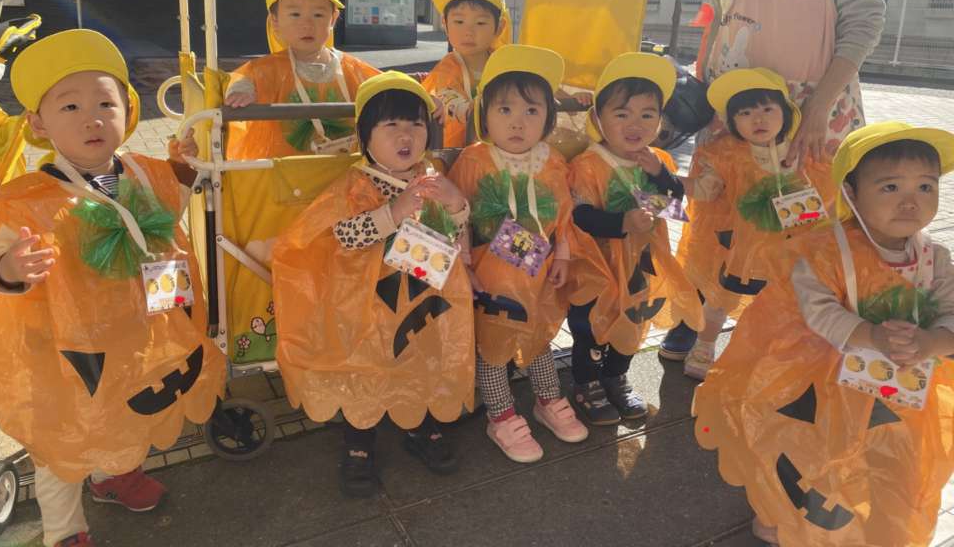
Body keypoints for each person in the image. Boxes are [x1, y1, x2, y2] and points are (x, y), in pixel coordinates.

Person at [506, 0, 886, 360]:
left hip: (816, 104)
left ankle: (801, 324)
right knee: (717, 208)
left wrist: (820, 106)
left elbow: (865, 20)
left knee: (810, 215)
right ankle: (699, 312)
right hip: (734, 101)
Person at [0, 29, 226, 547]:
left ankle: (114, 475)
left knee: (127, 412)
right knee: (64, 446)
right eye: (70, 106)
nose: (92, 119)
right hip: (69, 354)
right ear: (38, 123)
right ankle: (64, 531)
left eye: (106, 103)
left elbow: (170, 205)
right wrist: (9, 268)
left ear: (128, 109)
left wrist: (183, 168)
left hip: (137, 336)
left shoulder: (144, 172)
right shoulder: (24, 202)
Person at [694, 122, 954, 546]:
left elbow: (950, 312)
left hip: (901, 390)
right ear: (850, 193)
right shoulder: (825, 250)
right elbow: (817, 310)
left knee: (891, 455)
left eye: (925, 187)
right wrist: (871, 335)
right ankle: (780, 510)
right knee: (809, 450)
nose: (911, 201)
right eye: (890, 187)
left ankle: (875, 517)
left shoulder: (934, 259)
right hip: (821, 380)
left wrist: (933, 342)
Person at [272, 71, 475, 498]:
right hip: (365, 307)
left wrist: (457, 205)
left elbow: (453, 237)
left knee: (420, 358)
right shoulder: (356, 183)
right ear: (365, 137)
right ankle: (359, 441)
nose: (406, 135)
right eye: (391, 125)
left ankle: (420, 424)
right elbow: (342, 235)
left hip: (421, 298)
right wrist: (394, 212)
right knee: (364, 369)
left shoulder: (432, 176)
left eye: (416, 124)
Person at [449, 44, 588, 463]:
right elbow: (456, 219)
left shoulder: (553, 161)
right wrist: (464, 268)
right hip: (491, 277)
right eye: (505, 109)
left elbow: (564, 214)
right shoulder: (474, 160)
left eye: (531, 111)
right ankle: (501, 414)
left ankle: (548, 399)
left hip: (539, 272)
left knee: (540, 335)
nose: (517, 122)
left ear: (548, 117)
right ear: (484, 114)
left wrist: (563, 255)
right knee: (492, 344)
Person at [565, 52, 703, 424]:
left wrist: (661, 175)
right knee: (589, 325)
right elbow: (579, 215)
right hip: (597, 267)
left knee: (633, 320)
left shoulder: (657, 160)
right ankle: (586, 382)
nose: (635, 125)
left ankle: (616, 376)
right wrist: (622, 222)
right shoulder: (587, 164)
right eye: (622, 114)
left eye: (647, 115)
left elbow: (673, 202)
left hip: (641, 265)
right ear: (598, 118)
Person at [677, 68, 835, 379]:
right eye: (745, 113)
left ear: (785, 113)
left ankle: (770, 352)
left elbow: (826, 195)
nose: (758, 119)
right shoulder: (726, 154)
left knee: (782, 302)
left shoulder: (804, 153)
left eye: (767, 109)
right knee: (720, 299)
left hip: (789, 251)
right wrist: (666, 180)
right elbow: (707, 190)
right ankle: (704, 345)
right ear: (733, 122)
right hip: (739, 248)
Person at [224, 0, 379, 160]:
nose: (307, 24)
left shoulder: (352, 68)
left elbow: (385, 86)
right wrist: (242, 92)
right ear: (275, 21)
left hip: (345, 173)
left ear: (333, 19)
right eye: (295, 14)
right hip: (286, 174)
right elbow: (242, 79)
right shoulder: (268, 69)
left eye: (318, 15)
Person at [422, 0, 511, 147]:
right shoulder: (448, 68)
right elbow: (448, 97)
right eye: (459, 22)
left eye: (480, 23)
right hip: (459, 151)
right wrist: (468, 110)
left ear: (499, 27)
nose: (468, 32)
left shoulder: (506, 63)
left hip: (505, 144)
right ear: (445, 23)